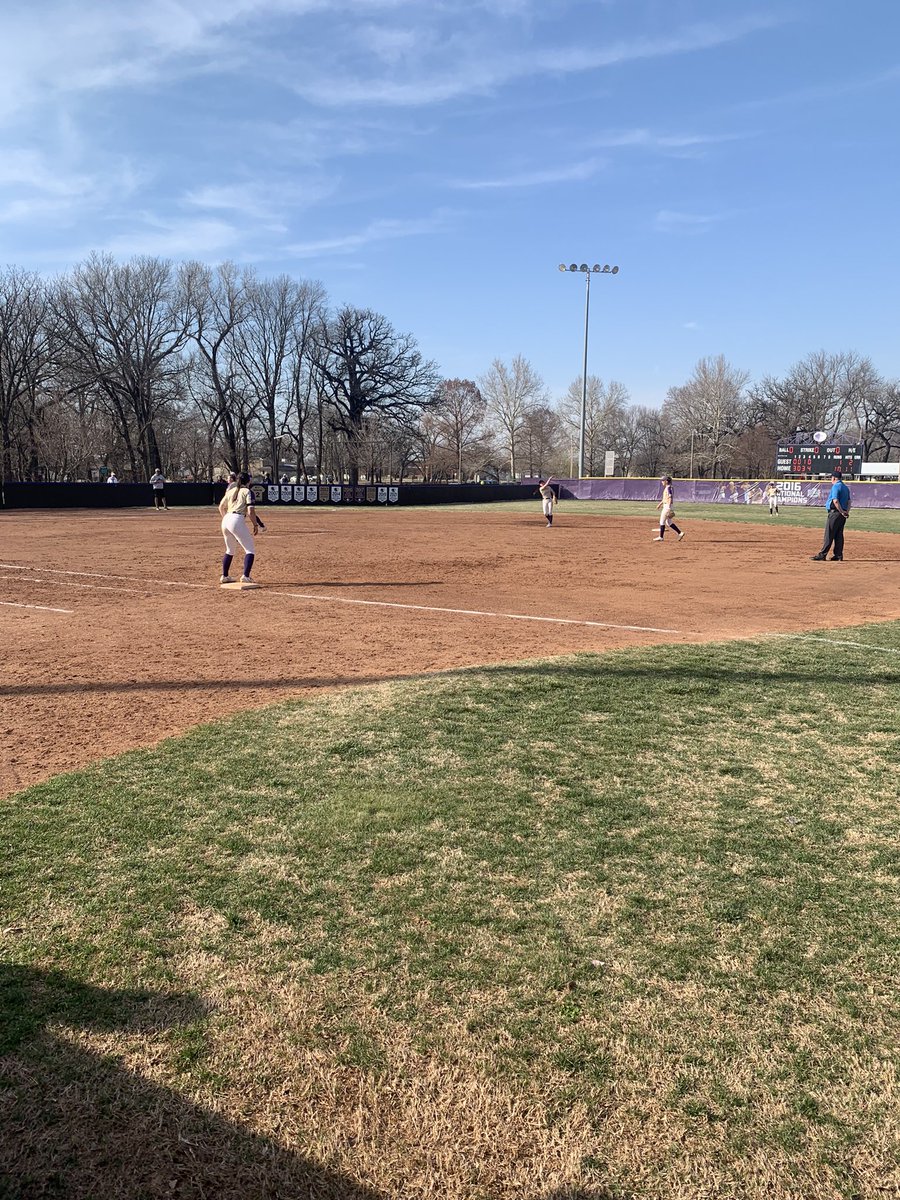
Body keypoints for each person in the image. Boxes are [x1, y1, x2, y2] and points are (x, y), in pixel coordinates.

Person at [218, 471, 260, 587]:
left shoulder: (231, 491)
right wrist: (255, 525)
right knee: (250, 549)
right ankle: (245, 576)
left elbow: (221, 507)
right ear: (248, 481)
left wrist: (226, 519)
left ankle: (225, 576)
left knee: (230, 550)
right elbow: (250, 511)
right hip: (237, 519)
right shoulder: (247, 491)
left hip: (226, 519)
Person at [811, 469, 851, 561]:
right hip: (842, 514)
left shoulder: (836, 486)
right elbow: (849, 501)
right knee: (839, 535)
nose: (831, 479)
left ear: (834, 478)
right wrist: (846, 512)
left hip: (835, 513)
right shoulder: (845, 487)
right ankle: (838, 555)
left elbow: (835, 501)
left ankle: (822, 554)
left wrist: (841, 511)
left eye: (831, 477)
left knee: (829, 534)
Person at [654, 476, 685, 542]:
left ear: (666, 481)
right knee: (668, 522)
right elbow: (665, 498)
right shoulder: (668, 488)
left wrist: (668, 507)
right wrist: (660, 504)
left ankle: (661, 537)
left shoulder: (668, 488)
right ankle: (680, 533)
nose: (662, 482)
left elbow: (670, 498)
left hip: (667, 506)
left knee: (662, 521)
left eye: (663, 480)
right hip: (668, 505)